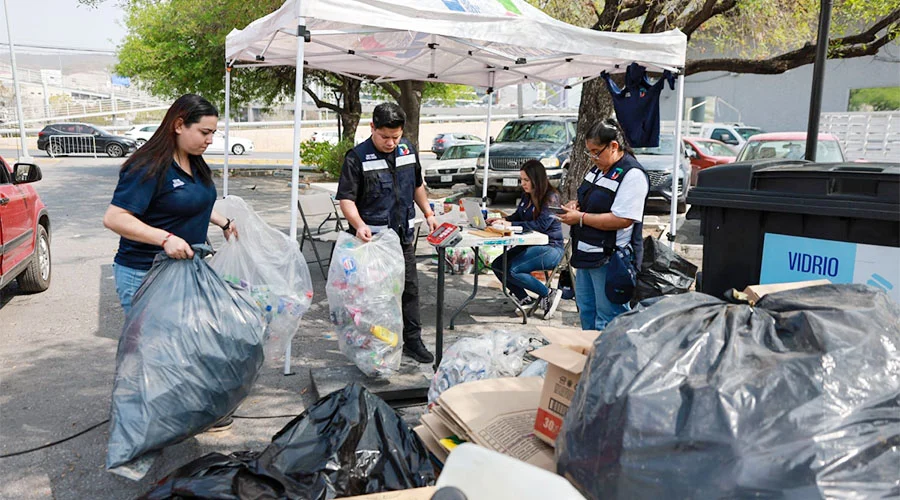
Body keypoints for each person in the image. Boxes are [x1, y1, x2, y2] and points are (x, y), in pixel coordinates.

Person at [103, 94, 238, 315]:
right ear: (178, 125)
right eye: (204, 132)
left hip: (185, 271)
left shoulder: (194, 161)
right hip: (146, 274)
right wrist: (165, 239)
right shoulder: (148, 166)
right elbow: (114, 217)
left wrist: (223, 223)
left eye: (213, 133)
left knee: (183, 345)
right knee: (155, 347)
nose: (210, 140)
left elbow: (190, 201)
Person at [335, 102, 439, 364]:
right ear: (372, 128)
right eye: (385, 137)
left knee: (409, 290)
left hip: (402, 236)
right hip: (373, 241)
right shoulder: (356, 157)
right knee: (373, 296)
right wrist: (359, 224)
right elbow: (346, 199)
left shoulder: (407, 151)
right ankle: (373, 345)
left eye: (396, 137)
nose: (391, 142)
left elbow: (417, 186)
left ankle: (413, 341)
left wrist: (428, 213)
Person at [557, 118, 648, 331]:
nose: (593, 157)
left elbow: (622, 219)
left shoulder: (632, 175)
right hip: (585, 255)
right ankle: (589, 357)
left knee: (608, 319)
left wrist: (580, 218)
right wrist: (576, 205)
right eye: (590, 152)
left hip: (610, 258)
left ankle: (607, 361)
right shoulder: (597, 170)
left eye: (596, 151)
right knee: (587, 311)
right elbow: (589, 199)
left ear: (614, 146)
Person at [487, 160, 565, 319]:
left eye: (526, 180)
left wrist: (510, 223)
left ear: (537, 179)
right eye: (521, 179)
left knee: (513, 269)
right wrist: (500, 220)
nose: (522, 183)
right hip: (530, 245)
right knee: (498, 265)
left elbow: (541, 225)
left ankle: (548, 293)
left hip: (551, 248)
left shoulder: (552, 197)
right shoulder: (526, 196)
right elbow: (517, 216)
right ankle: (524, 299)